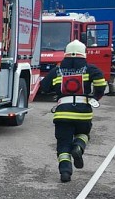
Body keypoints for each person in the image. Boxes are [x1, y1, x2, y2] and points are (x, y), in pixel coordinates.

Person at [39, 40, 106, 183]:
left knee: (63, 144)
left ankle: (65, 172)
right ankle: (78, 147)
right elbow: (101, 85)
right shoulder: (91, 69)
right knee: (84, 134)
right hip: (83, 113)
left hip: (62, 113)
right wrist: (95, 98)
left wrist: (56, 90)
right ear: (84, 54)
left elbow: (44, 87)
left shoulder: (57, 71)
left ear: (65, 54)